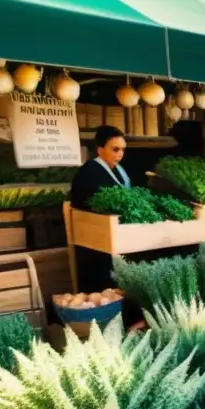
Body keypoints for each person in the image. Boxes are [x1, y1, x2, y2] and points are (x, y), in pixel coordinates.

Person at [70, 125, 131, 293]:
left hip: (116, 236)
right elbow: (88, 206)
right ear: (100, 149)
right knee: (103, 287)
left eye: (122, 150)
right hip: (94, 241)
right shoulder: (89, 172)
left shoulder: (119, 170)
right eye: (115, 149)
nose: (120, 154)